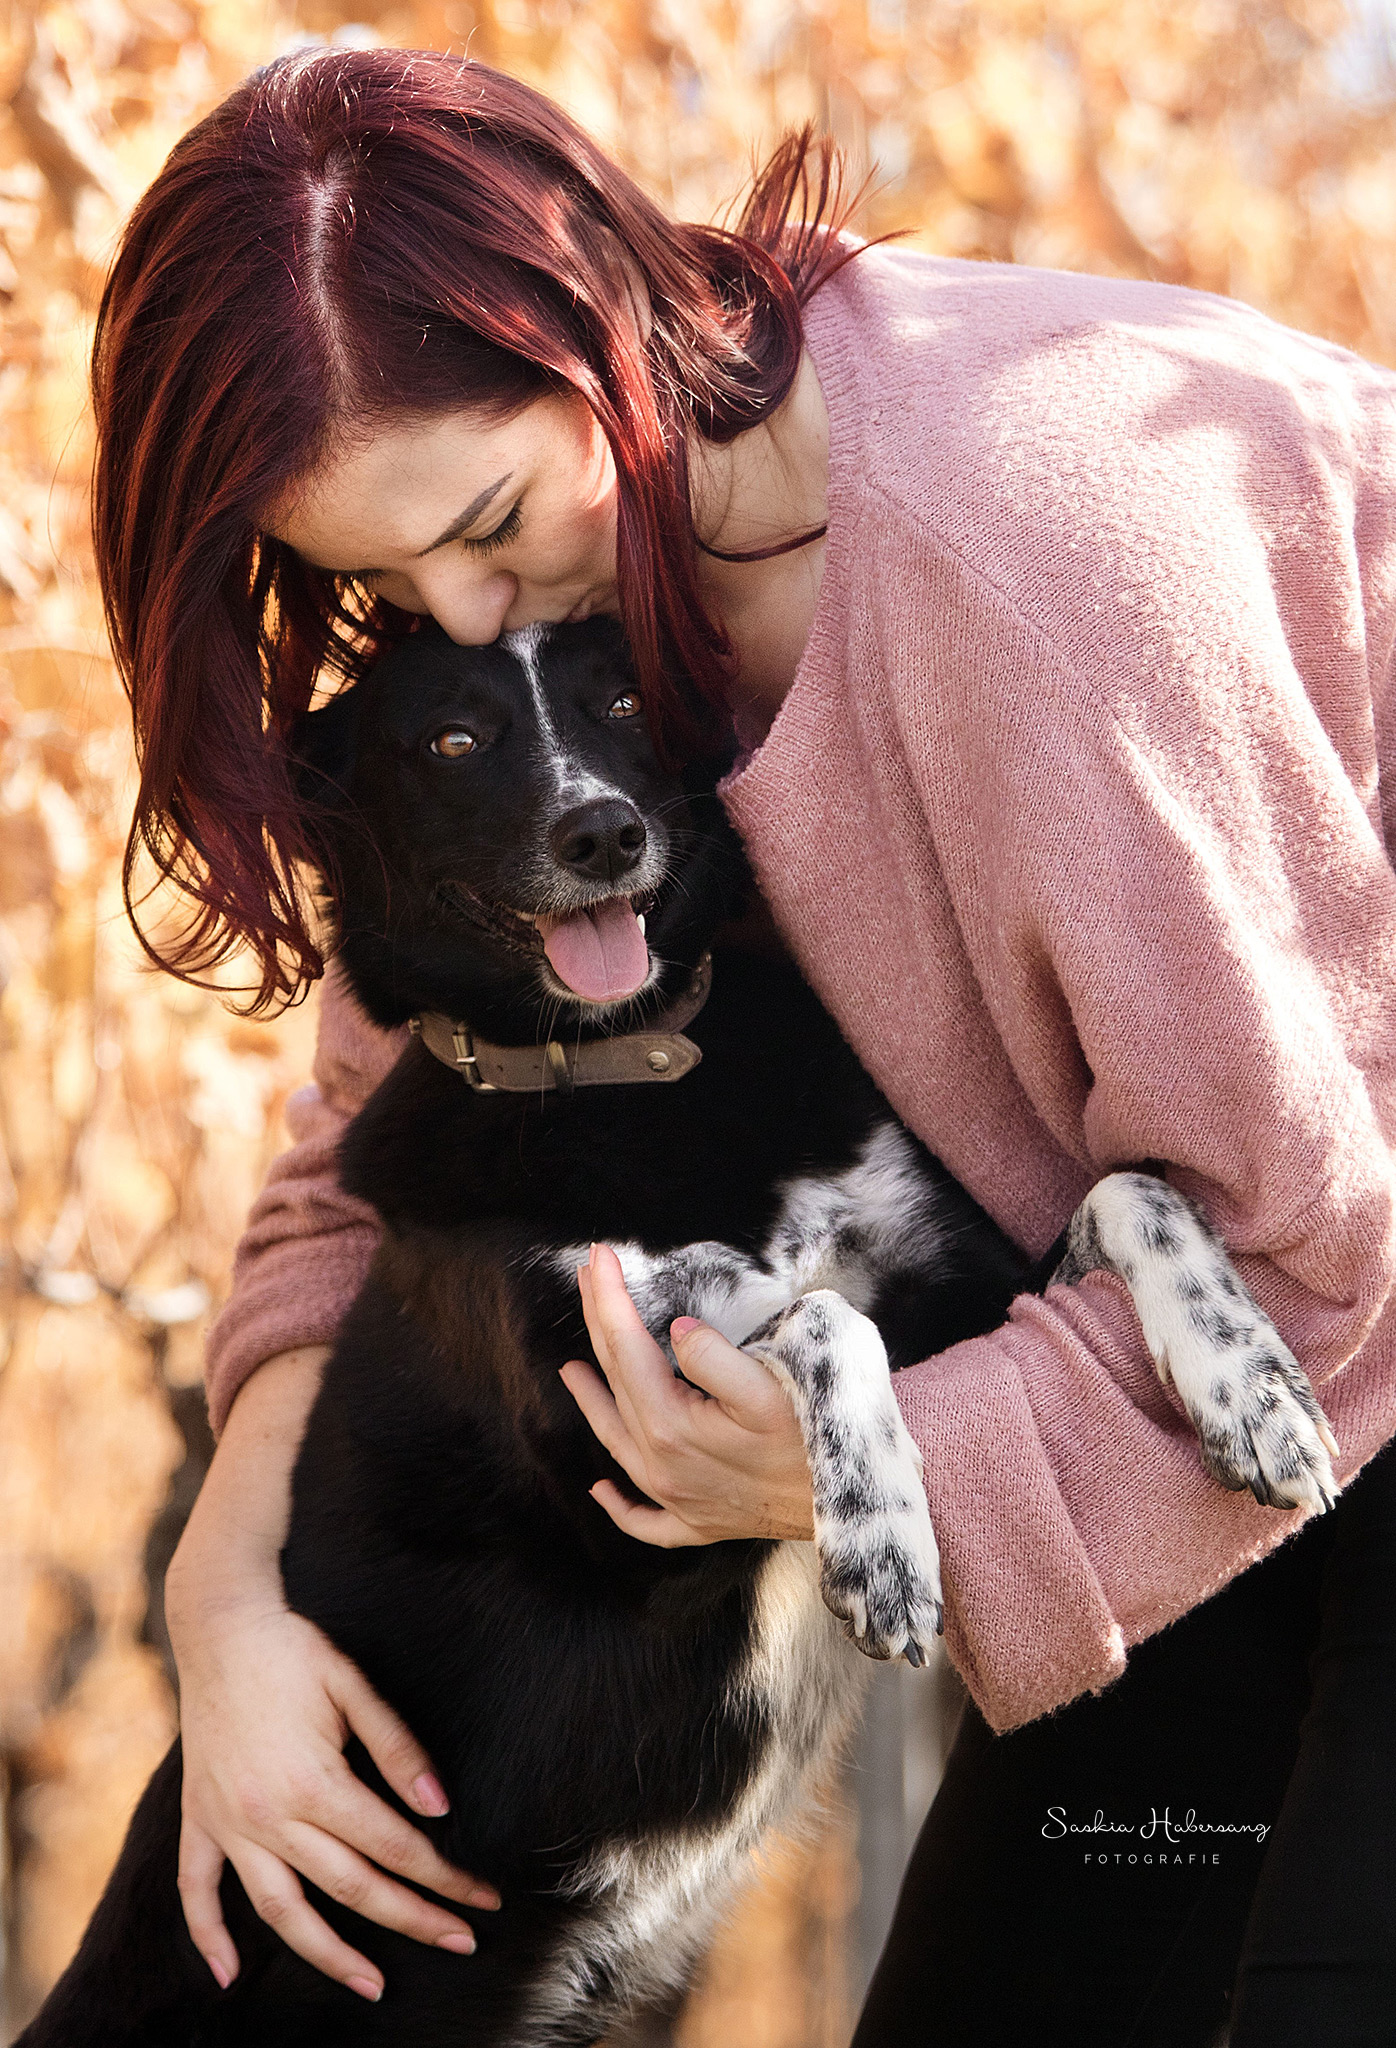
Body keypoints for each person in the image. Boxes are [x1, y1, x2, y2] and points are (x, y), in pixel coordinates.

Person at [89, 44, 1396, 2043]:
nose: (455, 605)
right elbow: (376, 1141)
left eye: (488, 514)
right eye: (375, 580)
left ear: (593, 322)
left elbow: (1315, 1252)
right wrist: (227, 1603)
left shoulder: (1036, 547)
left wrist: (846, 1471)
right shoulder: (581, 641)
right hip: (1207, 1386)